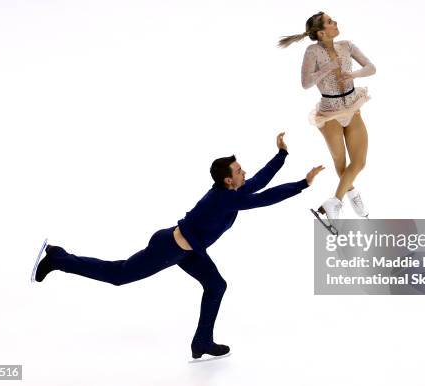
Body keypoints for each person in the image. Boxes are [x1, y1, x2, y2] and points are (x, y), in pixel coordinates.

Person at [30, 132, 324, 361]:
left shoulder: (230, 191)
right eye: (238, 170)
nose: (243, 172)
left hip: (190, 251)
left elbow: (258, 181)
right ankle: (59, 258)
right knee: (119, 275)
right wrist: (303, 184)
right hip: (168, 248)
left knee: (216, 286)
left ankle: (202, 342)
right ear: (227, 180)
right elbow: (265, 197)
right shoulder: (226, 197)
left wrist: (281, 154)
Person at [278, 12, 376, 227]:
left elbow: (371, 68)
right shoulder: (312, 51)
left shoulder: (347, 46)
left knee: (359, 163)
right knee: (341, 165)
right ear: (322, 32)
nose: (336, 23)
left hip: (352, 106)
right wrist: (327, 68)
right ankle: (347, 197)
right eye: (331, 22)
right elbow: (305, 83)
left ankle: (334, 202)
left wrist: (354, 75)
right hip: (329, 112)